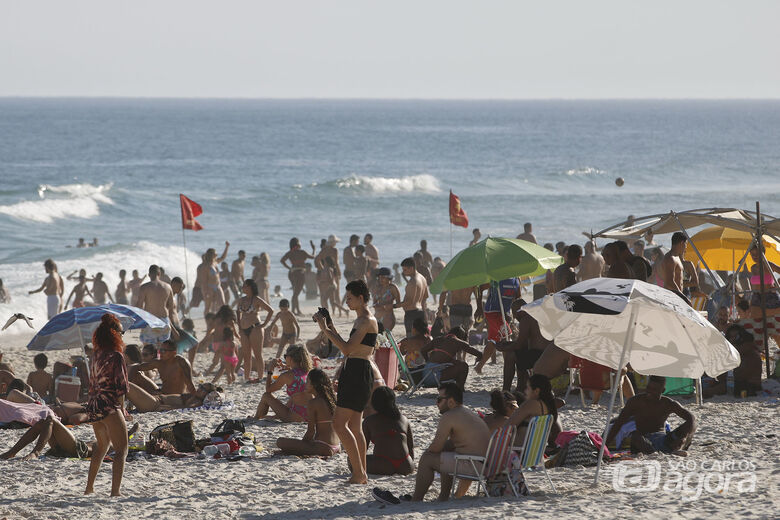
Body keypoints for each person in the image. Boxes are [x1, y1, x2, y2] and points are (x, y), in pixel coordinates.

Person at [313, 280, 378, 485]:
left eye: (349, 298)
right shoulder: (360, 320)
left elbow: (347, 349)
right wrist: (330, 325)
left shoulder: (366, 320)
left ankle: (359, 473)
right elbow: (349, 346)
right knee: (355, 426)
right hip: (356, 370)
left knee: (339, 424)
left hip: (359, 372)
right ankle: (361, 472)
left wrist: (325, 329)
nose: (347, 301)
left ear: (361, 298)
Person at [410, 382, 490, 502]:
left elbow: (436, 447)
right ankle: (443, 497)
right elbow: (452, 444)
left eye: (439, 399)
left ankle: (416, 499)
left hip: (474, 465)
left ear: (451, 401)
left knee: (427, 459)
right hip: (484, 463)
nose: (436, 403)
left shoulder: (449, 416)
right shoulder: (466, 413)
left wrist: (428, 452)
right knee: (444, 453)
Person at [84, 314, 129, 496]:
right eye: (121, 332)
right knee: (121, 450)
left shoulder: (96, 355)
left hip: (94, 405)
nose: (122, 335)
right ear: (114, 334)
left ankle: (89, 488)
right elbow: (121, 387)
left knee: (102, 447)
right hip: (109, 405)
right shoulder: (116, 356)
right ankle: (115, 492)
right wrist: (123, 409)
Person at [606, 375, 696, 455]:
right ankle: (657, 453)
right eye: (648, 388)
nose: (650, 392)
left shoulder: (668, 403)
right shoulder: (635, 402)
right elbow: (618, 423)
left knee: (690, 426)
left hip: (663, 439)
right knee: (635, 436)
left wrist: (684, 438)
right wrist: (604, 447)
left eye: (654, 390)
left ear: (662, 390)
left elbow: (691, 418)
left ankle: (675, 448)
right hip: (643, 441)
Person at [276, 368, 341, 457]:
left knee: (280, 442)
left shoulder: (313, 403)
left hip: (323, 447)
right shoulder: (333, 400)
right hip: (337, 446)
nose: (305, 384)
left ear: (314, 384)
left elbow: (311, 432)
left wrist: (301, 446)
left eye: (307, 382)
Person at [252, 345, 313, 422]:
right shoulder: (307, 372)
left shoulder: (287, 375)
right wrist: (286, 367)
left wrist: (270, 370)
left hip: (294, 416)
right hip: (309, 415)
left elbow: (268, 389)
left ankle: (256, 418)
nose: (284, 359)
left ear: (290, 358)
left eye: (285, 356)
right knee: (295, 395)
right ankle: (273, 417)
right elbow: (296, 372)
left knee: (266, 396)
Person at [363, 386, 415, 475]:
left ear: (374, 402)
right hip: (406, 465)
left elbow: (362, 448)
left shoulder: (369, 421)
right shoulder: (404, 419)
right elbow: (411, 447)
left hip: (383, 465)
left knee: (351, 461)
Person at [473, 277, 521, 374]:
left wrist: (515, 316)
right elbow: (479, 288)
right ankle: (509, 365)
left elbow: (518, 299)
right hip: (492, 312)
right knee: (507, 336)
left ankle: (479, 366)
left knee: (494, 341)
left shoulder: (517, 279)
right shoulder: (497, 276)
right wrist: (479, 307)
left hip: (504, 314)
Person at [236, 279, 274, 381]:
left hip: (255, 328)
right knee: (246, 355)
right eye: (243, 286)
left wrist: (264, 324)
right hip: (243, 329)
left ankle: (260, 377)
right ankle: (247, 377)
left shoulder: (256, 299)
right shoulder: (241, 300)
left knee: (258, 354)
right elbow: (237, 313)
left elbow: (270, 310)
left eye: (245, 286)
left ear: (251, 287)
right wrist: (239, 327)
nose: (243, 288)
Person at [128, 339, 196, 395]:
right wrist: (127, 381)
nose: (160, 353)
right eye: (160, 350)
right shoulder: (159, 362)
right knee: (137, 375)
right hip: (162, 393)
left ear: (174, 353)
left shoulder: (181, 362)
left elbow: (190, 384)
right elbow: (136, 367)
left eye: (164, 351)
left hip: (176, 396)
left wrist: (196, 398)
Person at [505, 374, 558, 443]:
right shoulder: (547, 407)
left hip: (517, 448)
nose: (525, 391)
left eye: (527, 388)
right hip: (533, 450)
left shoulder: (531, 404)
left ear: (536, 391)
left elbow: (508, 426)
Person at [136, 265, 180, 343]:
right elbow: (171, 307)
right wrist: (172, 324)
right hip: (164, 320)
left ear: (149, 275)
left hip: (150, 320)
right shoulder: (168, 287)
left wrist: (138, 322)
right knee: (163, 349)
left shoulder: (144, 287)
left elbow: (139, 306)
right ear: (159, 274)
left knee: (149, 348)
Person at [126, 381, 221, 412]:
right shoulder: (194, 396)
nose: (199, 389)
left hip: (154, 403)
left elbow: (186, 408)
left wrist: (169, 408)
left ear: (207, 395)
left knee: (125, 383)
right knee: (125, 385)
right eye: (200, 386)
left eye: (203, 389)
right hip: (155, 400)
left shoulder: (197, 402)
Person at [281, 237, 316, 316]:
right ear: (298, 244)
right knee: (296, 293)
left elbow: (282, 261)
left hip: (292, 273)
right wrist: (313, 249)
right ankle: (293, 311)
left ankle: (297, 310)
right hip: (300, 273)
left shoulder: (290, 253)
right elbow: (313, 257)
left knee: (295, 292)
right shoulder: (302, 252)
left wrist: (289, 268)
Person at [395, 257, 429, 338]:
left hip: (411, 314)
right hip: (420, 312)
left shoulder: (413, 282)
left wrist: (394, 306)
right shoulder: (422, 278)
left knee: (411, 340)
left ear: (412, 268)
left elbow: (409, 301)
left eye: (405, 270)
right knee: (421, 339)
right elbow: (425, 298)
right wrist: (425, 314)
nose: (403, 272)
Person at [663, 232, 690, 304]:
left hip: (677, 297)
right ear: (681, 243)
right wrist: (683, 297)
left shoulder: (677, 257)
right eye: (686, 244)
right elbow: (669, 282)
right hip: (671, 298)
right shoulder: (670, 258)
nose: (686, 247)